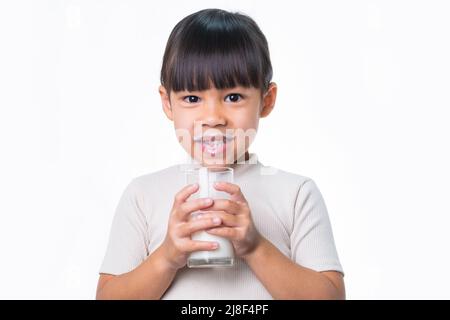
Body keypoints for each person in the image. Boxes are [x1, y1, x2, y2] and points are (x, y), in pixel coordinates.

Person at [96, 8, 345, 300]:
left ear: (266, 101)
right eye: (192, 98)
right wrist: (166, 257)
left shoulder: (296, 194)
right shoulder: (143, 195)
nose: (213, 117)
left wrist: (254, 247)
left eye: (233, 97)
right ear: (167, 103)